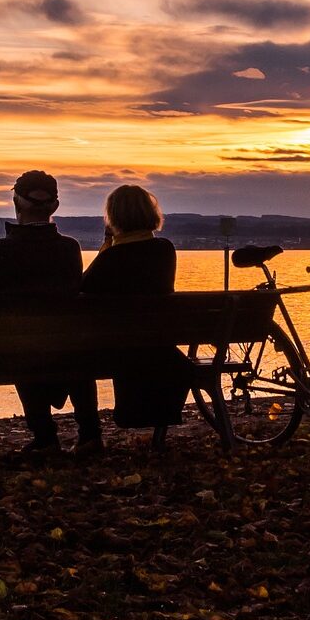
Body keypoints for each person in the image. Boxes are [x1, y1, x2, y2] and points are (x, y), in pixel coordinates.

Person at [0, 170, 101, 457]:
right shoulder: (70, 250)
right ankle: (89, 434)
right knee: (54, 341)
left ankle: (45, 436)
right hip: (65, 354)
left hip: (7, 357)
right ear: (55, 207)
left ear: (15, 202)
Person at [81, 184, 192, 434]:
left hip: (121, 348)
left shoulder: (112, 258)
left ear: (113, 218)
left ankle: (89, 435)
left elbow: (83, 288)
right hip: (158, 343)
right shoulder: (165, 250)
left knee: (78, 359)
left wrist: (106, 246)